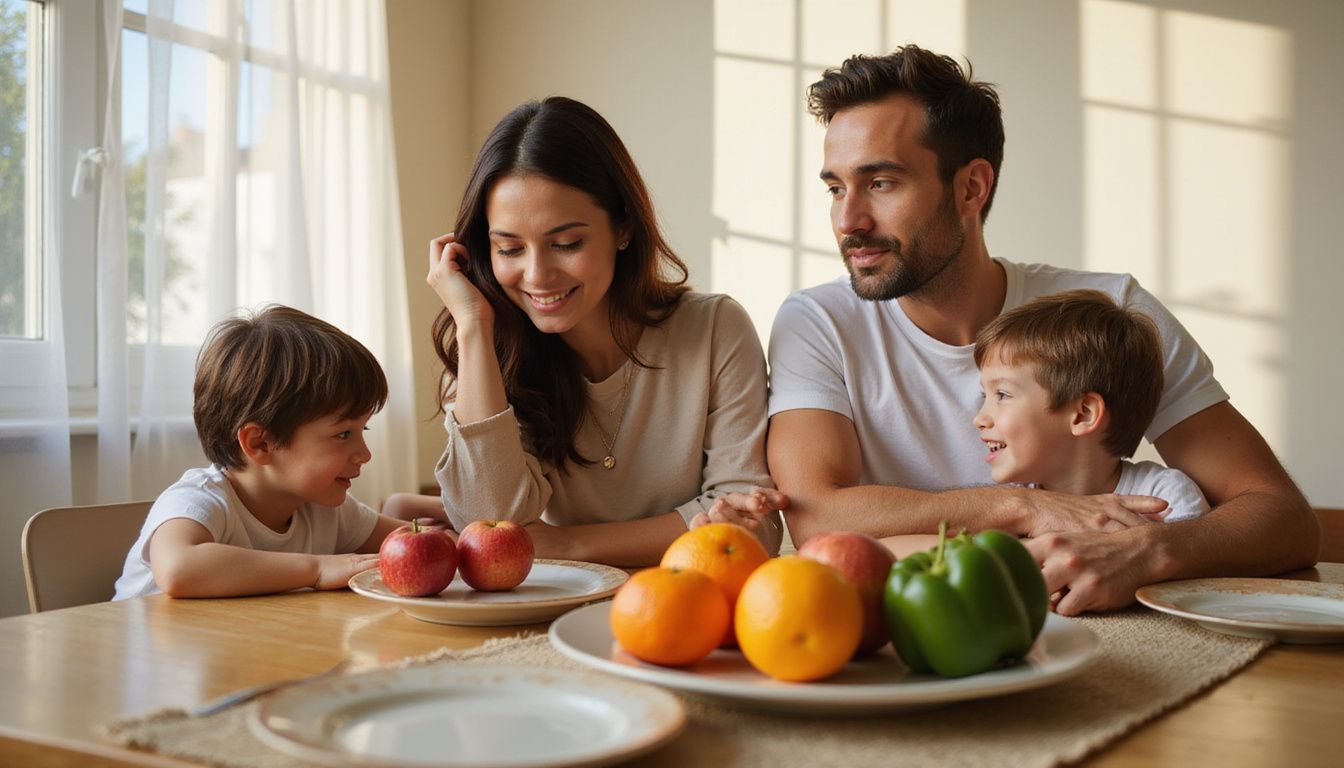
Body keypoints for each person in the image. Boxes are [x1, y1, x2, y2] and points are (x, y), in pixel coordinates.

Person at [766, 44, 1318, 614]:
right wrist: (1024, 508)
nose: (848, 221)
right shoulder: (818, 323)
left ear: (971, 188)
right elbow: (816, 518)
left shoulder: (1110, 310)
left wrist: (1149, 551)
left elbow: (1283, 517)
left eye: (880, 183)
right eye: (836, 188)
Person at [401, 96, 784, 566]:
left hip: (687, 598)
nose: (537, 275)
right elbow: (492, 526)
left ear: (623, 227)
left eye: (566, 243)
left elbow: (750, 526)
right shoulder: (487, 354)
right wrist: (473, 326)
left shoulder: (713, 329)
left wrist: (566, 543)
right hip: (550, 606)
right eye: (510, 249)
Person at [113, 305, 406, 599]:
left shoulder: (327, 511)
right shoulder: (199, 499)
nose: (365, 454)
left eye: (362, 430)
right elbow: (178, 569)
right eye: (343, 434)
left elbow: (410, 541)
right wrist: (316, 569)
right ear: (260, 443)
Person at [972, 289, 1208, 522]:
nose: (979, 419)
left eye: (1002, 394)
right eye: (986, 396)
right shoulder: (1008, 508)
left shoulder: (1165, 497)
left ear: (1083, 414)